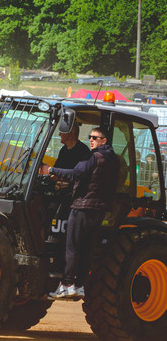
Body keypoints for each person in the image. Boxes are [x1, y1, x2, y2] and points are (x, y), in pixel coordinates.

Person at [40, 126, 118, 300]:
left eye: (95, 138)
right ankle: (80, 285)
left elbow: (76, 173)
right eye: (90, 137)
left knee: (71, 246)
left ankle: (67, 284)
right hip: (99, 210)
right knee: (86, 248)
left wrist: (50, 170)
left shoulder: (93, 156)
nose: (91, 140)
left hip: (82, 207)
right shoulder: (112, 159)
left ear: (103, 141)